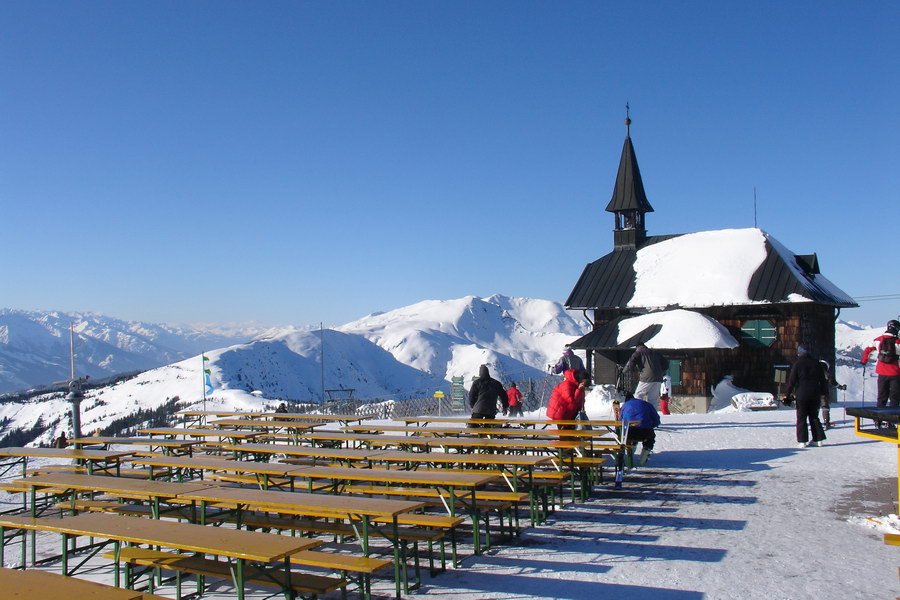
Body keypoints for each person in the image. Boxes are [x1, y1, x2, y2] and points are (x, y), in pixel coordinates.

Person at [784, 345, 828, 448]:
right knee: (814, 417)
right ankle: (818, 439)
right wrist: (824, 393)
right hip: (815, 393)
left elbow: (792, 382)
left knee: (801, 417)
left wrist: (787, 395)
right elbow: (823, 380)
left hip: (802, 393)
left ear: (799, 353)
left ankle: (802, 441)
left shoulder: (798, 364)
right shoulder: (817, 363)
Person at [862, 320, 900, 424]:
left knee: (882, 397)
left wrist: (864, 361)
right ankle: (892, 421)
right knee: (894, 398)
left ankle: (878, 420)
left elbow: (867, 350)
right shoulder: (898, 342)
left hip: (882, 373)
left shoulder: (879, 340)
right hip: (896, 373)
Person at [619, 393, 661, 467]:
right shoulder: (647, 404)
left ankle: (629, 455)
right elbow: (656, 419)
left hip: (629, 433)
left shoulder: (624, 406)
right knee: (650, 438)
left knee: (628, 437)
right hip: (645, 432)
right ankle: (643, 458)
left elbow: (620, 420)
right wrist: (652, 425)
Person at [624, 344, 669, 409]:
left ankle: (639, 412)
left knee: (638, 395)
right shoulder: (655, 352)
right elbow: (666, 365)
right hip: (658, 378)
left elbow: (631, 362)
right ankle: (652, 415)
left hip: (646, 377)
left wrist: (626, 370)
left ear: (637, 347)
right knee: (653, 399)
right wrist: (660, 371)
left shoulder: (639, 352)